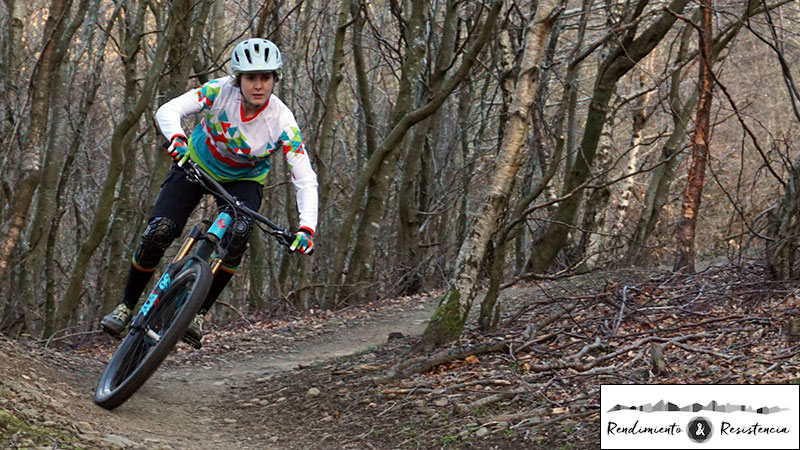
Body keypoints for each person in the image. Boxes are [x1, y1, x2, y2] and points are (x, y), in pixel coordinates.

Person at [101, 38, 318, 343]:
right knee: (159, 232)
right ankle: (125, 306)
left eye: (266, 78)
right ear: (237, 78)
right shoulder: (219, 91)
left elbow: (305, 178)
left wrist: (307, 227)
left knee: (239, 233)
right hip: (196, 164)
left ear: (275, 79)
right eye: (251, 78)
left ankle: (199, 312)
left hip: (244, 180)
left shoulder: (283, 122)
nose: (259, 85)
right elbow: (169, 109)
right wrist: (177, 138)